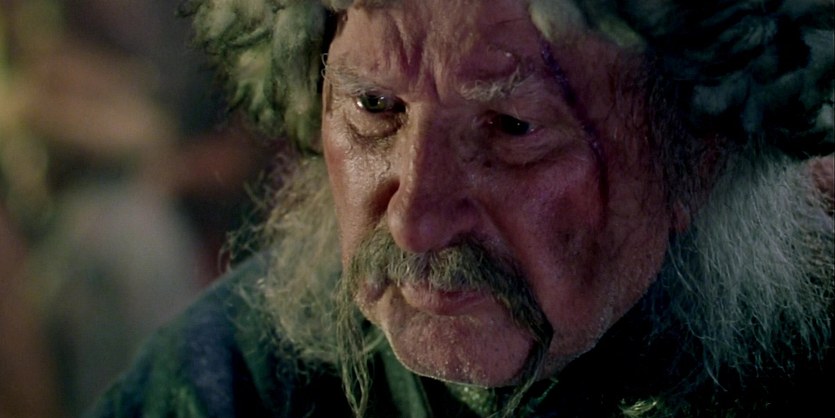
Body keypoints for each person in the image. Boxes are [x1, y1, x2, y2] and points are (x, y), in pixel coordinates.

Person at [88, 0, 834, 417]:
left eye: (511, 127)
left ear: (700, 155)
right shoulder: (233, 381)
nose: (415, 222)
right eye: (373, 107)